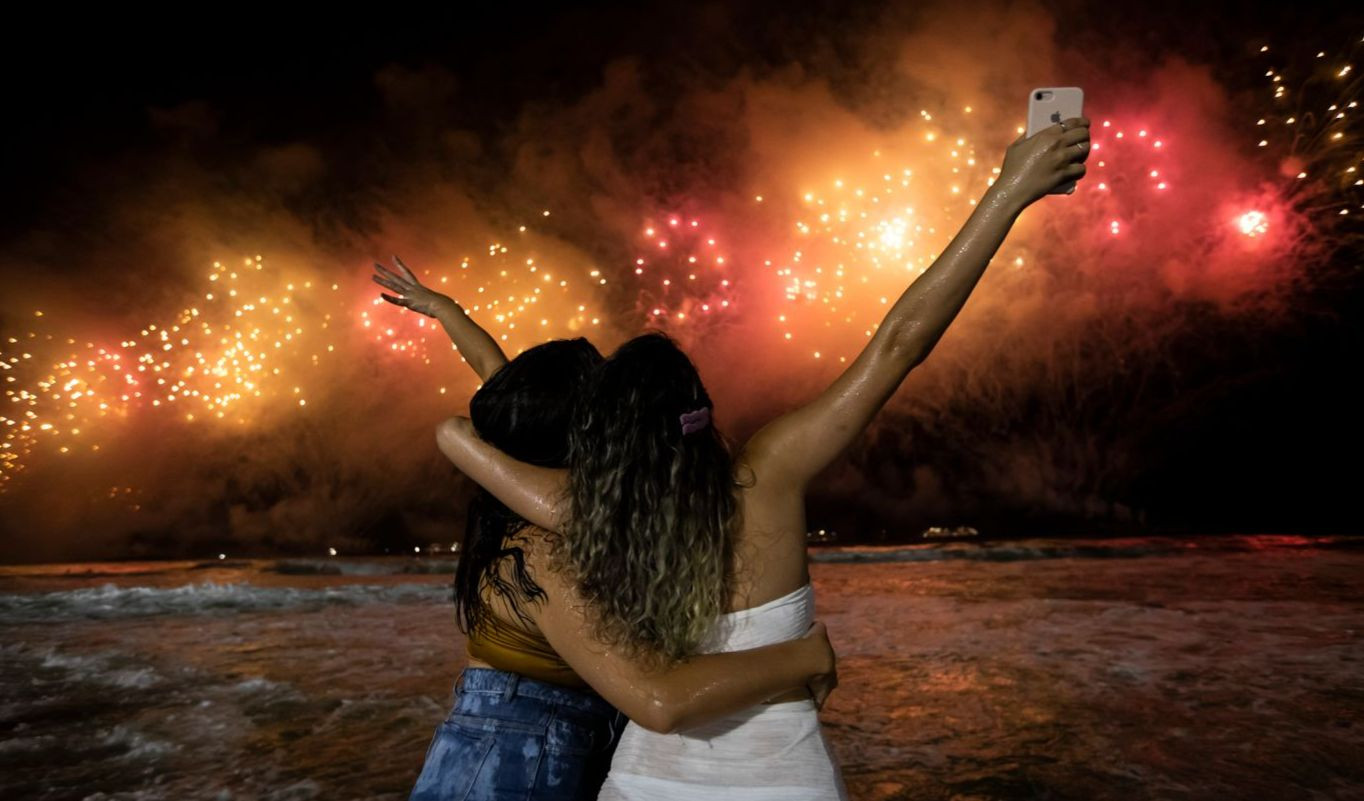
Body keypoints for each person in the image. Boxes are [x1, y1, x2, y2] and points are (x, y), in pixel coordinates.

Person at [434, 114, 1092, 799]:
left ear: (605, 442)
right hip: (784, 781)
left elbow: (478, 444)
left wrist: (458, 396)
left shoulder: (598, 509)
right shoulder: (769, 472)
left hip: (644, 782)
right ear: (702, 410)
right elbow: (900, 341)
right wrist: (1009, 191)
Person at [371, 257, 839, 801]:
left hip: (545, 735)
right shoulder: (551, 536)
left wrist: (447, 312)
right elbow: (659, 701)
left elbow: (491, 400)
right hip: (516, 748)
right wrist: (804, 657)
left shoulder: (549, 486)